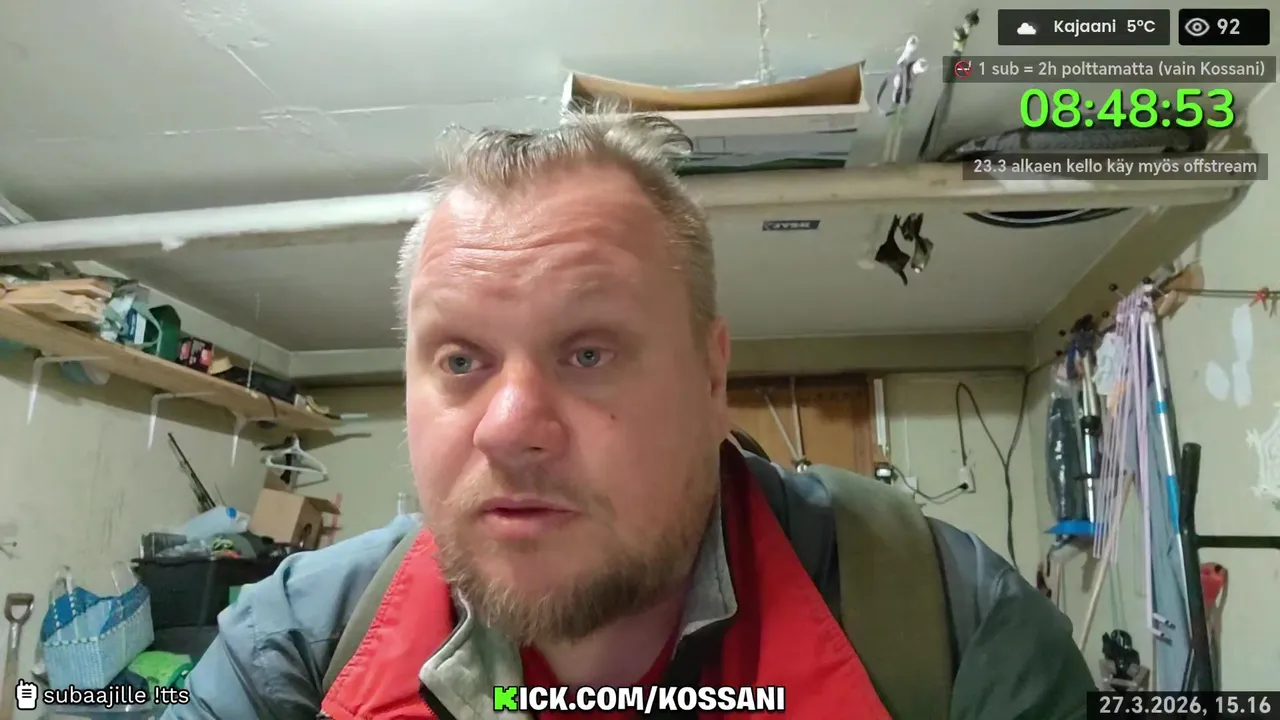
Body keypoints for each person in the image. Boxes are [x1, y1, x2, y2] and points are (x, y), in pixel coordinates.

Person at [166, 109, 1095, 719]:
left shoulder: (952, 627)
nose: (507, 427)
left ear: (710, 375)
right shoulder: (293, 651)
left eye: (588, 354)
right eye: (460, 360)